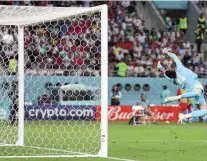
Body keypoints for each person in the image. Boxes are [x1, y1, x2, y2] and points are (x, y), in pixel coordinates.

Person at [157, 48, 207, 123]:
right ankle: (178, 97)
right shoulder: (179, 68)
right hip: (195, 86)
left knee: (205, 110)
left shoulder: (173, 80)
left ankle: (184, 116)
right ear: (173, 70)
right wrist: (167, 52)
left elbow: (166, 73)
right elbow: (174, 56)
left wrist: (161, 68)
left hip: (190, 93)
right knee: (199, 96)